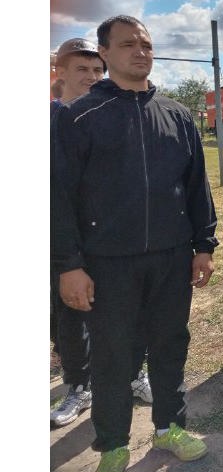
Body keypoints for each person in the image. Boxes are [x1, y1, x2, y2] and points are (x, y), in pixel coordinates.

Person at [52, 15, 217, 472]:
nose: (141, 51)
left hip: (170, 258)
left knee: (170, 343)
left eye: (146, 43)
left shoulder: (177, 115)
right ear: (104, 54)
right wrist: (69, 265)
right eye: (128, 44)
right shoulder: (78, 117)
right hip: (107, 263)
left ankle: (169, 426)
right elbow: (58, 197)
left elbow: (196, 185)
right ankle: (113, 444)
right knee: (112, 353)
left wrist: (203, 245)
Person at [50, 39, 154, 428]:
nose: (92, 77)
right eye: (81, 69)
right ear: (60, 72)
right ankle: (79, 385)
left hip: (116, 239)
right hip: (66, 240)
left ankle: (134, 374)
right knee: (70, 315)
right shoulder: (51, 120)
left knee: (131, 310)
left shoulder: (115, 115)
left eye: (97, 70)